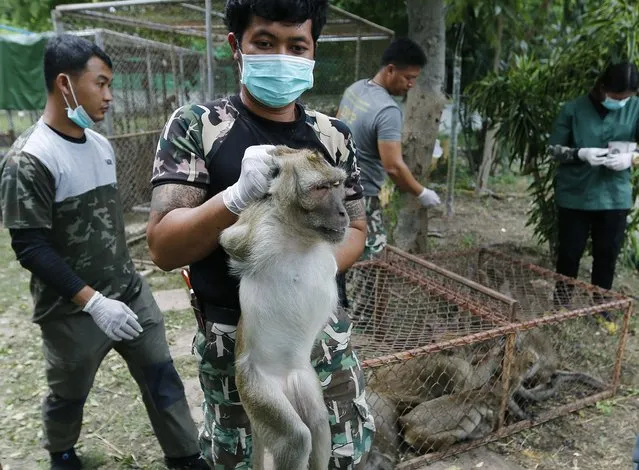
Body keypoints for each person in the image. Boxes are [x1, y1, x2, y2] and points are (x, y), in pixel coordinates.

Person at [146, 0, 375, 468]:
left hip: (321, 337)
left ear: (314, 52)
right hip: (238, 338)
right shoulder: (198, 127)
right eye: (266, 42)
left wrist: (314, 266)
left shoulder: (333, 136)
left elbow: (355, 227)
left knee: (335, 453)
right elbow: (164, 247)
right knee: (243, 457)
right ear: (237, 45)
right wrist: (233, 199)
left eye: (297, 45)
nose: (283, 56)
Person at [0, 35, 207, 470]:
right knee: (68, 391)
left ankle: (186, 457)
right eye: (101, 83)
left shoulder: (99, 145)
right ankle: (61, 451)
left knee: (161, 375)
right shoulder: (30, 160)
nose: (110, 96)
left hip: (129, 294)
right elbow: (30, 247)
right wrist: (93, 302)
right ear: (65, 84)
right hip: (71, 308)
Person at [548, 62, 639, 333]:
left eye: (627, 99)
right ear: (602, 88)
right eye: (616, 97)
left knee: (606, 255)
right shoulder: (573, 109)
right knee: (569, 253)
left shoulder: (636, 109)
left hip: (615, 197)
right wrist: (579, 154)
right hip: (575, 195)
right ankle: (560, 305)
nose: (621, 103)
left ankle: (601, 309)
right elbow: (553, 149)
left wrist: (631, 158)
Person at [337, 37, 441, 259]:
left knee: (341, 250)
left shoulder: (354, 90)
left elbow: (336, 130)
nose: (411, 84)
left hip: (336, 188)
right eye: (409, 78)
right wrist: (421, 192)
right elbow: (393, 166)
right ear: (391, 70)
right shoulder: (388, 110)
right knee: (374, 261)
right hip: (361, 196)